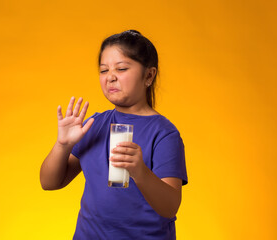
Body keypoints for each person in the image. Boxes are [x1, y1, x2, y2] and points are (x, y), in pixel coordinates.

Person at [40, 30, 188, 239]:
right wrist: (62, 145)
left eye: (121, 68)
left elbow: (170, 207)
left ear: (149, 75)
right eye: (103, 70)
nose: (110, 77)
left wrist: (140, 172)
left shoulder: (164, 133)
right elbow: (49, 182)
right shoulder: (95, 124)